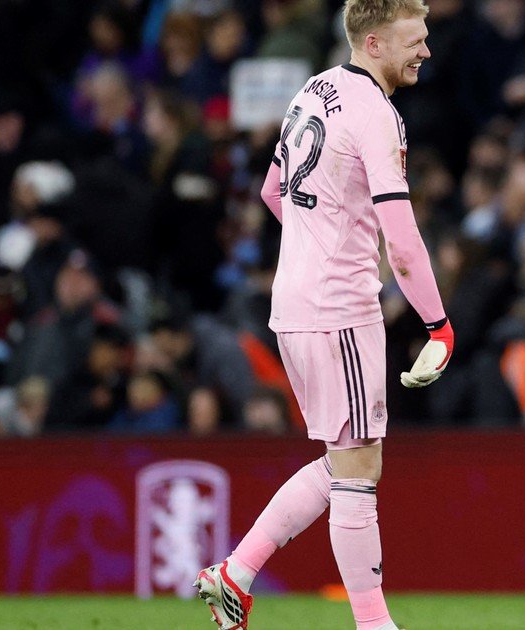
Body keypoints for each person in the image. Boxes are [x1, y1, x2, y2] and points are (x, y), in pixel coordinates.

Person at [194, 3, 453, 630]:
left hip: (294, 305)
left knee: (343, 460)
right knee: (360, 470)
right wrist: (438, 323)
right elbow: (402, 237)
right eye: (414, 40)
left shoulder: (315, 89)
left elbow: (271, 193)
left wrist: (319, 241)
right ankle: (373, 624)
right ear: (374, 41)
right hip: (340, 308)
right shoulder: (373, 112)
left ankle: (236, 573)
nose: (424, 52)